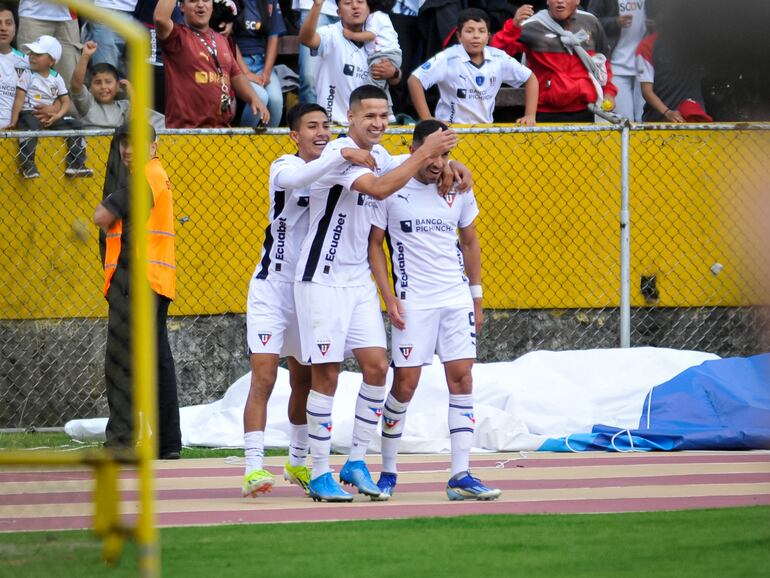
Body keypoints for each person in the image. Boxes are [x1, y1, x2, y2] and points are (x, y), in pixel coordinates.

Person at [293, 84, 458, 502]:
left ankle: (355, 460)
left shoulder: (383, 156)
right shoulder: (340, 155)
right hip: (322, 278)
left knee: (376, 368)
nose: (379, 123)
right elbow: (382, 188)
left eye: (385, 116)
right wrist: (425, 153)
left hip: (358, 282)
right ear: (350, 118)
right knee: (326, 375)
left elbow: (413, 168)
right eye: (370, 116)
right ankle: (317, 472)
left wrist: (453, 164)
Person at [241, 102, 378, 497]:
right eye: (311, 126)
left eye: (325, 126)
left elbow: (384, 164)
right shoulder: (283, 165)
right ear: (294, 135)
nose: (321, 132)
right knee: (265, 376)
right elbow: (299, 180)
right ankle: (253, 467)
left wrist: (447, 162)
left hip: (311, 286)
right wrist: (343, 153)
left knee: (305, 378)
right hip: (272, 286)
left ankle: (299, 463)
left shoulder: (339, 161)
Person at [368, 118, 500, 501]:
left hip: (454, 298)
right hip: (414, 302)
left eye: (446, 155)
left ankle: (461, 474)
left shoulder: (457, 187)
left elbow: (470, 241)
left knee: (462, 380)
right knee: (405, 385)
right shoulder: (392, 186)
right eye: (431, 153)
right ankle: (388, 472)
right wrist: (388, 296)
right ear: (412, 151)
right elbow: (375, 245)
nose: (438, 163)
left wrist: (476, 294)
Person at [93, 122, 182, 460]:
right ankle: (167, 444)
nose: (128, 150)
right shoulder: (156, 174)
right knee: (157, 362)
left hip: (138, 282)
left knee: (121, 363)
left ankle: (121, 442)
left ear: (154, 146)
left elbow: (104, 214)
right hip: (153, 281)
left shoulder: (144, 176)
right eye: (123, 144)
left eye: (136, 144)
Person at [491, 1, 617, 123]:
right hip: (544, 112)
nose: (560, 1)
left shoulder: (591, 22)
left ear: (578, 1)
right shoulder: (531, 25)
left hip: (585, 109)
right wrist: (514, 26)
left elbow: (603, 61)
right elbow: (495, 53)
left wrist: (609, 92)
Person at [409, 8, 537, 125]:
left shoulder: (499, 58)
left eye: (481, 31)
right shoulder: (447, 58)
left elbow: (530, 78)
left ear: (488, 37)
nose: (476, 36)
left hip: (485, 129)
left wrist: (530, 115)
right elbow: (414, 80)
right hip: (451, 129)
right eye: (469, 31)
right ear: (459, 36)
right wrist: (427, 119)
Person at [154, 0, 268, 128]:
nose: (201, 4)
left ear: (212, 5)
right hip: (186, 133)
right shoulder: (176, 37)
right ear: (182, 7)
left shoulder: (222, 40)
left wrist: (254, 98)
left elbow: (235, 75)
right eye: (193, 1)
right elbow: (160, 19)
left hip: (219, 133)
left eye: (206, 0)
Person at [298, 0, 401, 125]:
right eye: (347, 3)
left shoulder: (380, 35)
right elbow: (306, 39)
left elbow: (394, 80)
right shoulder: (330, 33)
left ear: (369, 8)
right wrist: (317, 5)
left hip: (370, 127)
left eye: (360, 2)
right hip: (334, 125)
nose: (355, 6)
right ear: (338, 12)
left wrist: (394, 72)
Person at [10, 34, 93, 179]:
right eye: (31, 53)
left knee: (76, 125)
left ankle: (76, 164)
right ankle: (28, 164)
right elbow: (19, 98)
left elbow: (66, 101)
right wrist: (14, 120)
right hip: (30, 113)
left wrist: (57, 115)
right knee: (30, 125)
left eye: (38, 54)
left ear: (51, 61)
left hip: (51, 117)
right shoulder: (27, 74)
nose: (32, 57)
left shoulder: (56, 78)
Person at [340, 0, 401, 118]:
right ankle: (388, 112)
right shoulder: (379, 16)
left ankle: (371, 112)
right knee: (381, 85)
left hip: (383, 54)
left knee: (371, 88)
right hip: (388, 54)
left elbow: (371, 35)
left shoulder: (375, 16)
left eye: (361, 2)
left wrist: (351, 35)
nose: (356, 6)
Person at [588, 0, 646, 121]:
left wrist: (657, 22)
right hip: (616, 67)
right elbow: (590, 21)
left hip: (645, 67)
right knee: (624, 120)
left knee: (644, 120)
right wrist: (614, 22)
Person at [233, 0, 285, 127]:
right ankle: (244, 142)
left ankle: (269, 144)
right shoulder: (230, 2)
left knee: (276, 100)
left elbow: (274, 37)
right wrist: (245, 72)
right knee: (260, 96)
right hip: (236, 64)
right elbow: (227, 38)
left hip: (262, 63)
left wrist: (266, 73)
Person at [16, 0, 80, 98]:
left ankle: (69, 112)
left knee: (71, 80)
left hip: (68, 15)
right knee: (28, 77)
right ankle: (29, 112)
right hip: (33, 13)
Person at [70, 40, 130, 129]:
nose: (103, 86)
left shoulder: (124, 106)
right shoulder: (87, 104)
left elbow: (137, 121)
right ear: (90, 88)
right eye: (97, 82)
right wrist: (85, 56)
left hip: (116, 142)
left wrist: (132, 93)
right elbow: (76, 86)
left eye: (108, 82)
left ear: (118, 85)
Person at [292, 0, 339, 104]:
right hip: (313, 5)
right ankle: (311, 118)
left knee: (346, 75)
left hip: (353, 6)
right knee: (309, 77)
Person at [0, 3, 29, 130]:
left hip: (14, 134)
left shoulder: (27, 62)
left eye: (8, 23)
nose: (3, 28)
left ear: (15, 28)